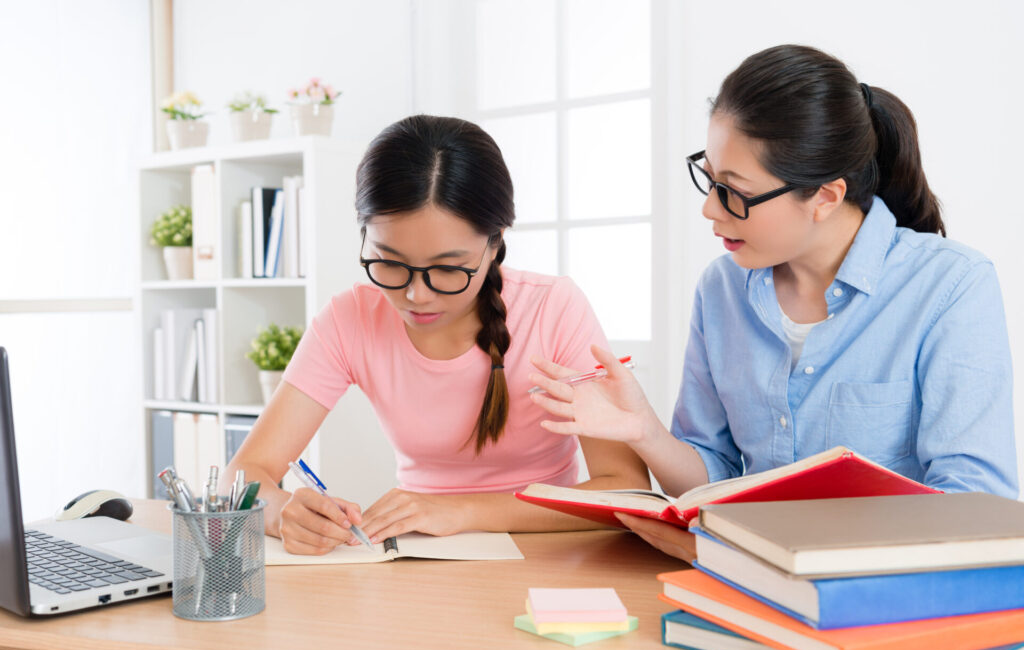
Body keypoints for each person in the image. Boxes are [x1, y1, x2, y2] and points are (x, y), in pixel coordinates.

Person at [529, 44, 1018, 562]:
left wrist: (742, 557)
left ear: (825, 198)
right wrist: (644, 431)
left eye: (733, 191)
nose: (709, 208)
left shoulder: (950, 285)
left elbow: (975, 504)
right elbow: (710, 477)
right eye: (709, 178)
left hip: (887, 602)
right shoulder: (721, 290)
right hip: (739, 588)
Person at [225, 114, 649, 555]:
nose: (415, 294)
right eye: (389, 262)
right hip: (416, 556)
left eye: (447, 268)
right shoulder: (350, 317)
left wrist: (460, 512)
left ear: (495, 243)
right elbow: (244, 474)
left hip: (547, 556)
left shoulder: (553, 307)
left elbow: (625, 489)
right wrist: (279, 512)